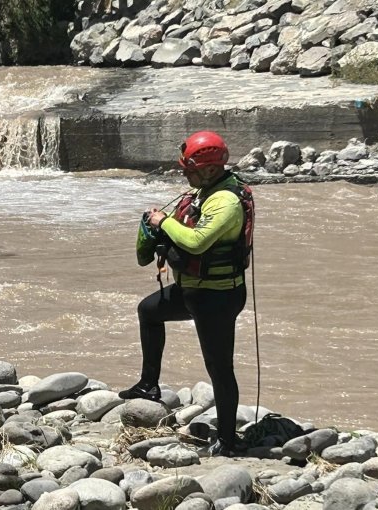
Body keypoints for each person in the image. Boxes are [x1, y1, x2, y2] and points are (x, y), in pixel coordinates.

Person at [121, 131, 255, 457]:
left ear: (209, 169)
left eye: (189, 169)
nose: (185, 174)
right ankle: (148, 385)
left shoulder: (225, 201)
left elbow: (196, 243)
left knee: (219, 368)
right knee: (149, 311)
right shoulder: (204, 190)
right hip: (193, 290)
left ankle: (227, 439)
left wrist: (163, 221)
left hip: (218, 297)